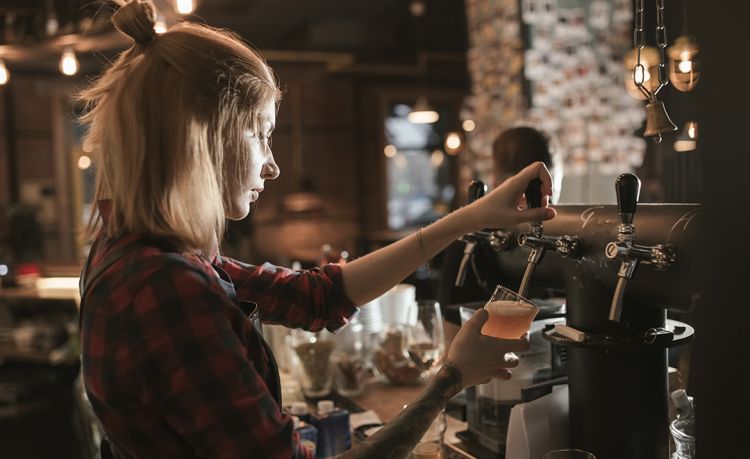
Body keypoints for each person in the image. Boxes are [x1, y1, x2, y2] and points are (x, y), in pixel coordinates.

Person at [77, 2, 556, 458]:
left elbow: (318, 296)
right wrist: (451, 377)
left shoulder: (138, 252)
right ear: (205, 137)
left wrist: (470, 218)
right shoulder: (168, 289)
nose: (272, 166)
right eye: (260, 134)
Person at [436, 126, 561, 346]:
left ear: (494, 180)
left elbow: (451, 341)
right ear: (552, 181)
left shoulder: (465, 237)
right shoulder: (471, 242)